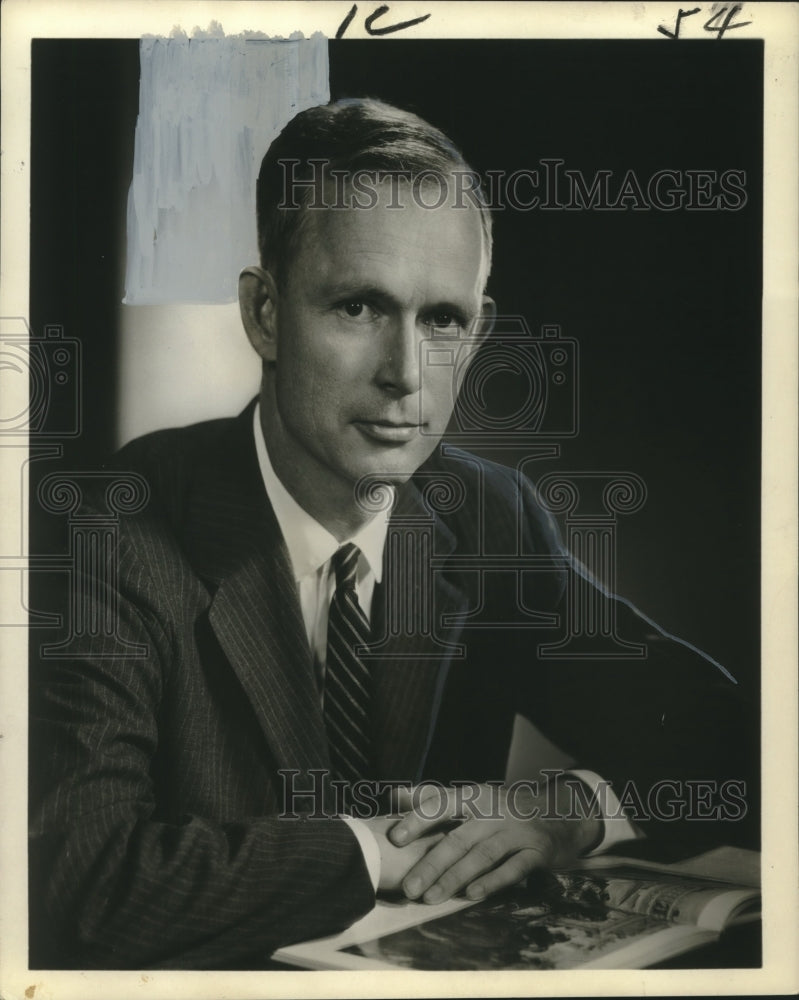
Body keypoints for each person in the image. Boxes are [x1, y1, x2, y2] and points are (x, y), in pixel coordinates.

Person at [28, 98, 754, 970]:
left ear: (477, 332)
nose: (405, 375)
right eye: (358, 308)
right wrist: (378, 848)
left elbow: (738, 740)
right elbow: (75, 885)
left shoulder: (486, 516)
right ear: (264, 314)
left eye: (441, 320)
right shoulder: (106, 528)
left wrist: (572, 808)